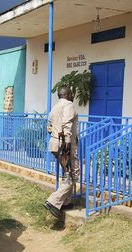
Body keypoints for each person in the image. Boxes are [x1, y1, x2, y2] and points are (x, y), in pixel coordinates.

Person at [43, 86, 80, 219]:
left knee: (67, 172)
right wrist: (68, 143)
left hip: (54, 144)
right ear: (68, 94)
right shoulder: (68, 105)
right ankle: (53, 201)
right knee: (73, 174)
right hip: (65, 146)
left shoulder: (54, 108)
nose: (73, 96)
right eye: (71, 93)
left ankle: (65, 202)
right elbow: (67, 124)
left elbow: (49, 128)